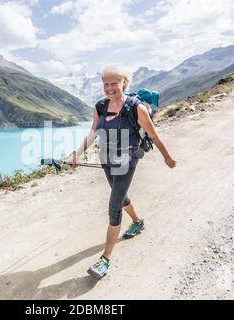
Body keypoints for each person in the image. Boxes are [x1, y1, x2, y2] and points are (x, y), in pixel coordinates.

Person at [69, 65, 177, 279]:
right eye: (106, 83)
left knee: (114, 205)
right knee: (121, 195)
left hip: (127, 160)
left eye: (114, 83)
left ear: (124, 83)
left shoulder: (136, 108)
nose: (109, 87)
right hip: (106, 159)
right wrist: (76, 154)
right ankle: (138, 222)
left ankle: (105, 259)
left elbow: (153, 136)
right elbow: (93, 133)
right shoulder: (100, 106)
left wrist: (167, 157)